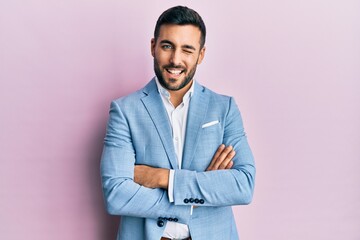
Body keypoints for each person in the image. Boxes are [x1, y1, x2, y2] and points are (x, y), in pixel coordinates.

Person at [101, 6, 255, 240]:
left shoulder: (224, 108)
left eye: (187, 50)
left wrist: (164, 178)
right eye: (167, 46)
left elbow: (243, 185)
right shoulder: (124, 111)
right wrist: (200, 192)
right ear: (153, 47)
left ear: (200, 55)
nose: (175, 59)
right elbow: (117, 195)